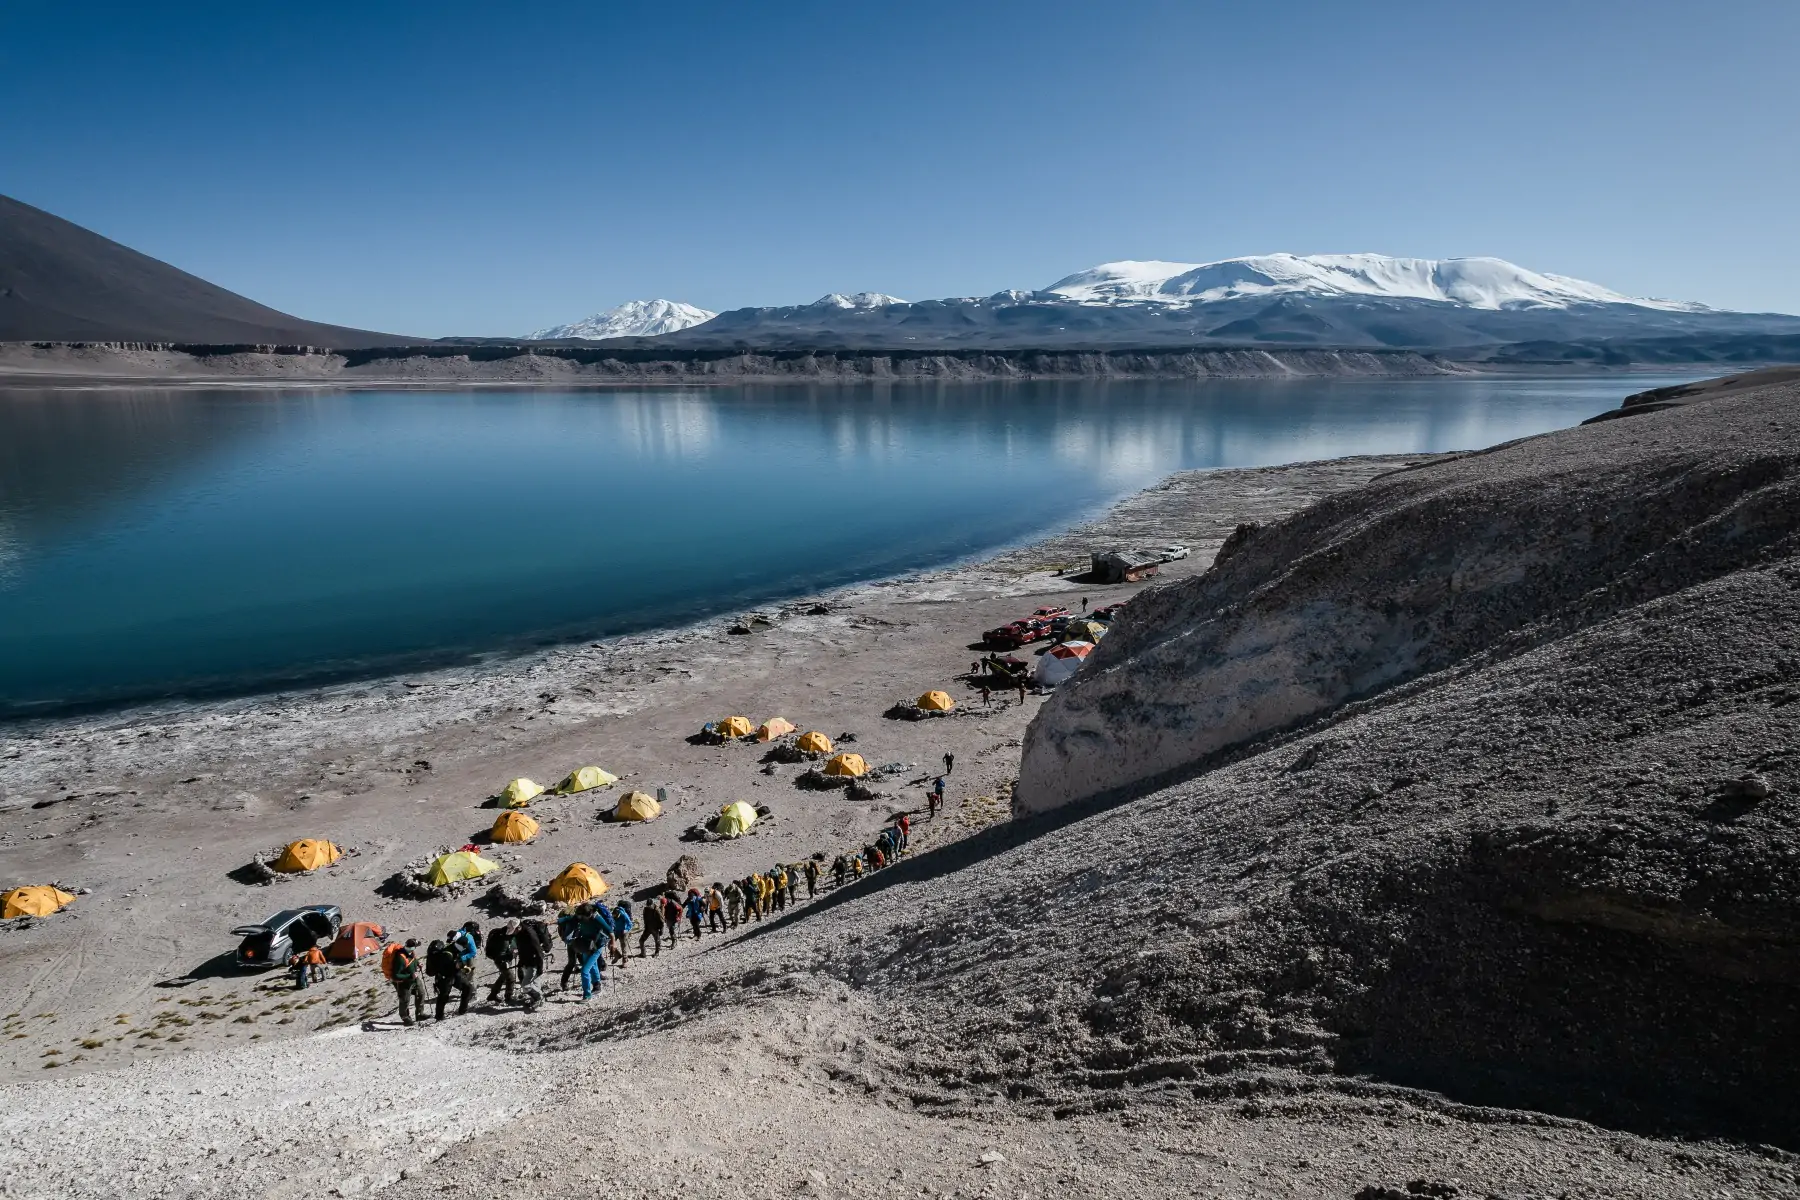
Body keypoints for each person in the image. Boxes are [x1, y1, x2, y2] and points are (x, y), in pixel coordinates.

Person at [433, 932, 475, 1020]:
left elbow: (458, 961)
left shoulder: (455, 949)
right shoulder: (447, 954)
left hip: (454, 974)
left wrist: (464, 967)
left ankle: (463, 1010)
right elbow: (448, 967)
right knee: (444, 997)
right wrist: (460, 968)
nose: (464, 949)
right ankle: (439, 1016)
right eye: (464, 947)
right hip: (445, 977)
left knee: (468, 987)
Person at [577, 903, 612, 999]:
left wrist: (613, 944)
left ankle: (587, 995)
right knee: (593, 965)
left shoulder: (597, 918)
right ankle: (597, 985)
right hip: (586, 945)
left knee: (584, 970)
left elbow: (610, 931)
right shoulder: (580, 916)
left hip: (597, 946)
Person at [390, 938, 426, 1026]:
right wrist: (410, 976)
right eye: (415, 946)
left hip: (414, 979)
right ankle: (405, 1017)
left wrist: (418, 964)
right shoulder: (400, 958)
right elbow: (396, 975)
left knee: (421, 993)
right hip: (404, 983)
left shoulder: (410, 953)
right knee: (405, 1000)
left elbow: (413, 960)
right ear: (412, 947)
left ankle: (419, 1014)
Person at [485, 920, 520, 1006]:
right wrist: (514, 954)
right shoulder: (504, 940)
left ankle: (493, 995)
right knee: (511, 978)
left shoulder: (502, 933)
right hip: (502, 961)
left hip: (501, 959)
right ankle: (509, 997)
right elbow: (502, 955)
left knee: (503, 977)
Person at [515, 919, 549, 991]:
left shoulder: (530, 934)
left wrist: (540, 967)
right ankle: (537, 996)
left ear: (518, 927)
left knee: (527, 984)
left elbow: (538, 951)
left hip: (534, 961)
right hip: (527, 961)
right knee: (535, 981)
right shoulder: (520, 933)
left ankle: (538, 997)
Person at [610, 901, 634, 966]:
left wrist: (626, 930)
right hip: (616, 931)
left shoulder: (623, 914)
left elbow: (630, 924)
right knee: (610, 944)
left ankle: (625, 960)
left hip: (623, 932)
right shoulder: (613, 913)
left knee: (623, 946)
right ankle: (617, 955)